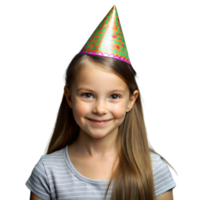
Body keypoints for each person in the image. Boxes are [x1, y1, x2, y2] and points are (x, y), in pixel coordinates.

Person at [23, 4, 180, 200]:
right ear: (70, 97)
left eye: (114, 96)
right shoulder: (47, 172)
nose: (100, 109)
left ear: (130, 101)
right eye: (88, 95)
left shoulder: (154, 171)